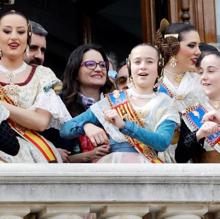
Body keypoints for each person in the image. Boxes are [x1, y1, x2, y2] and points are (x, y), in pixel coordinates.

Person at [60, 43, 179, 163]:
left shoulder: (166, 103)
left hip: (147, 168)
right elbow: (65, 130)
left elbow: (162, 142)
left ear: (159, 67)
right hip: (113, 167)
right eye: (137, 62)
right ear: (130, 67)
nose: (143, 66)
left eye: (149, 61)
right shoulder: (113, 100)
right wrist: (86, 126)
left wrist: (124, 126)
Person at [0, 10, 70, 162]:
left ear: (27, 37)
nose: (14, 37)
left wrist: (1, 106)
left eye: (20, 32)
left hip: (31, 154)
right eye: (6, 31)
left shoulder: (44, 75)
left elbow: (40, 122)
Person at [44, 43, 112, 162]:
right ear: (75, 71)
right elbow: (50, 151)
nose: (98, 69)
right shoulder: (58, 104)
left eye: (102, 65)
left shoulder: (116, 101)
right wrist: (84, 156)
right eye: (90, 64)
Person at [154, 20, 205, 163]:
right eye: (191, 45)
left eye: (198, 46)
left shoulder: (201, 81)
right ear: (172, 46)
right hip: (154, 160)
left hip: (194, 160)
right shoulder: (152, 81)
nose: (198, 52)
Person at [174, 51, 220, 163]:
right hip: (206, 178)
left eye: (211, 71)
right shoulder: (193, 112)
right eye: (200, 72)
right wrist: (199, 134)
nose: (203, 77)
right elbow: (180, 157)